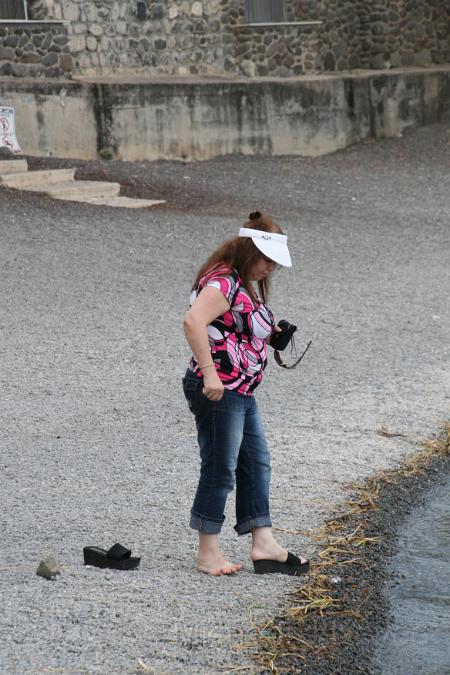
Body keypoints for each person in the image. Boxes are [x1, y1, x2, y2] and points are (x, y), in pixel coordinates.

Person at [182, 211, 310, 577]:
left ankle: (263, 543)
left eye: (276, 263)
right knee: (220, 468)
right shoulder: (223, 283)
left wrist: (271, 335)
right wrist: (210, 376)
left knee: (256, 463)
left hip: (239, 390)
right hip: (220, 389)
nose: (271, 268)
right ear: (249, 249)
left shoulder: (240, 281)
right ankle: (208, 553)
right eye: (267, 259)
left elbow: (235, 325)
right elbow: (193, 321)